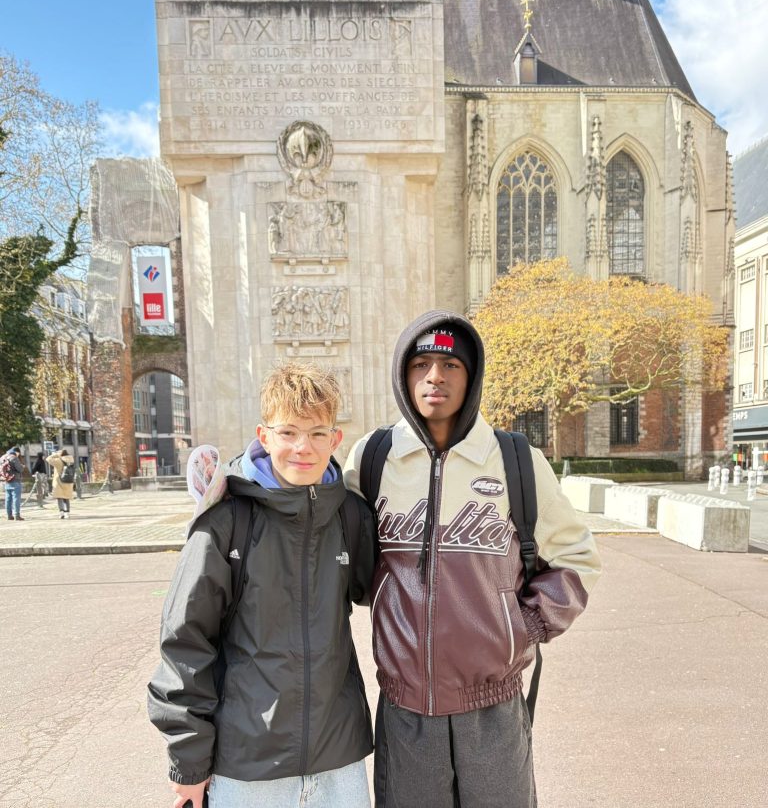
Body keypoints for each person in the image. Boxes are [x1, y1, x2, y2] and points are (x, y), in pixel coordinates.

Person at [344, 310, 602, 808]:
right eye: (420, 364)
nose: (434, 377)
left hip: (493, 706)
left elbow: (578, 556)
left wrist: (522, 624)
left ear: (471, 376)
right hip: (404, 709)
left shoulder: (515, 460)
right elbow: (326, 530)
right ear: (403, 375)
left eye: (450, 365)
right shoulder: (373, 459)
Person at [148, 363, 375, 808]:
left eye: (316, 433)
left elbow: (388, 591)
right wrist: (189, 765)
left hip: (339, 764)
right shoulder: (226, 521)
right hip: (248, 768)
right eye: (288, 432)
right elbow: (184, 645)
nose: (302, 447)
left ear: (336, 439)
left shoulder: (351, 516)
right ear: (264, 435)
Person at [47, 448, 75, 518]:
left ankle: (61, 512)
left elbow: (48, 459)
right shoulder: (71, 460)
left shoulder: (59, 461)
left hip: (59, 481)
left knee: (60, 497)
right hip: (69, 481)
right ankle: (67, 513)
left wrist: (56, 455)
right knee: (66, 497)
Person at [3, 446, 25, 520]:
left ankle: (9, 515)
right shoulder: (14, 457)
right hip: (15, 480)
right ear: (17, 452)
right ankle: (17, 515)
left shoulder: (3, 458)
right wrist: (22, 466)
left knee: (8, 498)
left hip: (7, 480)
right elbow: (20, 469)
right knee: (16, 498)